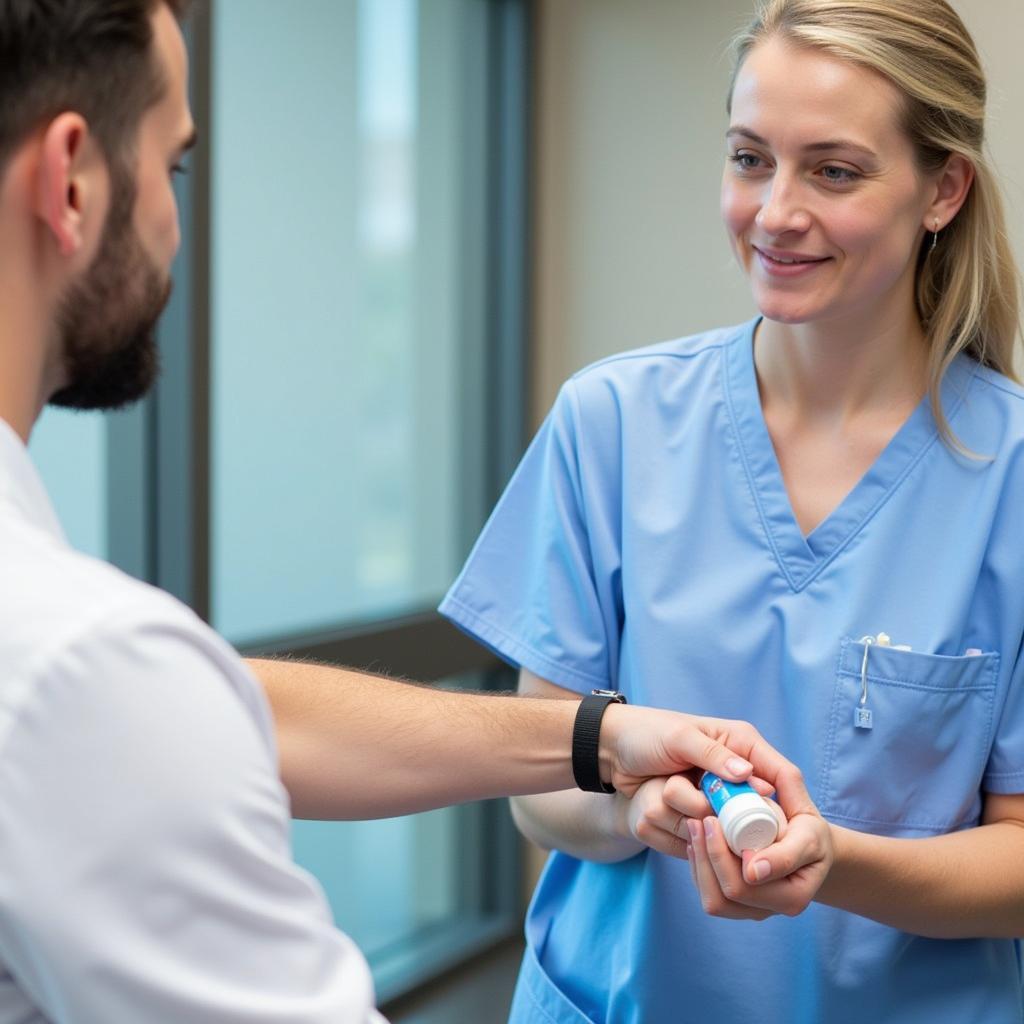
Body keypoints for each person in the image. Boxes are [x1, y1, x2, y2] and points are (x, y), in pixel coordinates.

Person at [0, 1, 801, 1021]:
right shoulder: (76, 664)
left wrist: (600, 731)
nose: (172, 222)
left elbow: (209, 704)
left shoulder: (81, 661)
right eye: (175, 167)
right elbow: (125, 700)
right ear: (71, 179)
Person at [440, 0, 1024, 1021]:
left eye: (832, 171)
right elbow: (538, 781)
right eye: (750, 158)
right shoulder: (610, 424)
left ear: (941, 189)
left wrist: (833, 861)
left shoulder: (1007, 473)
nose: (775, 211)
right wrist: (635, 809)